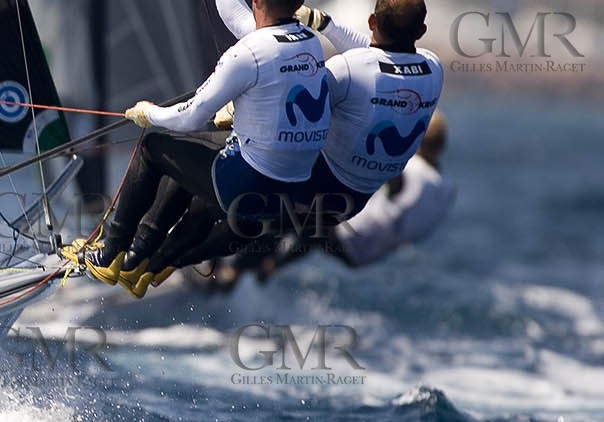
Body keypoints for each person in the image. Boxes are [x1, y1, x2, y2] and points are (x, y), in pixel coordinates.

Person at [65, 0, 330, 297]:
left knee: (156, 148)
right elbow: (247, 26)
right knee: (194, 152)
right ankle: (141, 259)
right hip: (290, 195)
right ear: (298, 4)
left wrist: (149, 113)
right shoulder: (309, 43)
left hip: (252, 186)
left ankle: (109, 254)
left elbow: (189, 115)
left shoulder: (247, 54)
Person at [144, 0, 446, 281]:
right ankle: (174, 264)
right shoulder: (434, 68)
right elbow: (381, 62)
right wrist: (324, 23)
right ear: (421, 32)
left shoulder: (350, 70)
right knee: (251, 220)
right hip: (348, 205)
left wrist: (236, 106)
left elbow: (300, 89)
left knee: (217, 184)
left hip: (314, 184)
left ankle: (149, 258)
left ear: (371, 21)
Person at [195, 111, 455, 290]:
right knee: (308, 230)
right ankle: (263, 266)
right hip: (368, 252)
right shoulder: (446, 189)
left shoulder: (412, 168)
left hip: (350, 234)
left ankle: (225, 266)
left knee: (280, 213)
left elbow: (395, 180)